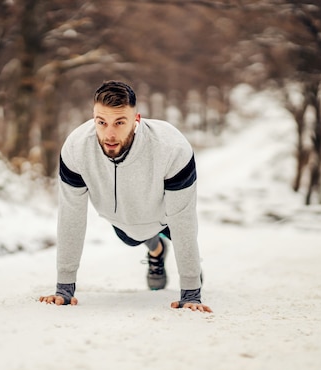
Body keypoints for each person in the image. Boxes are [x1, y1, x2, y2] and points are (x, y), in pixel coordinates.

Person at [39, 80, 211, 313]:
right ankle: (157, 250)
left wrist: (191, 291)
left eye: (120, 122)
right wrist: (64, 289)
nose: (109, 133)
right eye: (101, 122)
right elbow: (71, 216)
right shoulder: (76, 149)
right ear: (93, 118)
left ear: (136, 120)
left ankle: (172, 255)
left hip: (166, 214)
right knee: (131, 237)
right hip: (122, 220)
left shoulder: (171, 148)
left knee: (179, 234)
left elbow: (184, 221)